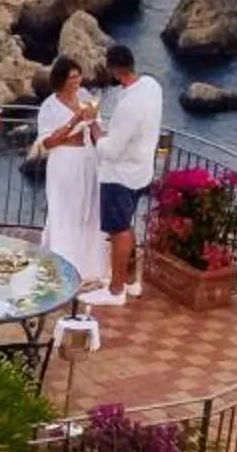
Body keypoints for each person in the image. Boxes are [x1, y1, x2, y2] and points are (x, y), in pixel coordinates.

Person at [90, 43, 164, 304]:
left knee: (119, 229)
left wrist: (95, 129)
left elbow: (110, 150)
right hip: (142, 170)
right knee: (128, 225)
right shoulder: (152, 87)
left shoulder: (128, 106)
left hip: (119, 176)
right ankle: (131, 282)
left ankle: (115, 290)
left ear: (113, 69)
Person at [31, 57, 105, 292]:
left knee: (88, 209)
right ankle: (62, 266)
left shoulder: (84, 96)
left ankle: (88, 268)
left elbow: (95, 128)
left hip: (87, 159)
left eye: (79, 76)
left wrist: (94, 123)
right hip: (64, 162)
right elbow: (48, 142)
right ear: (61, 79)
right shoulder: (50, 106)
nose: (77, 81)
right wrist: (74, 120)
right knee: (64, 211)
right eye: (72, 77)